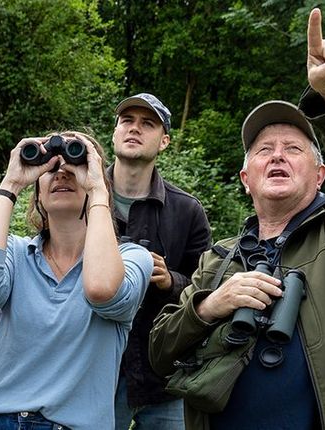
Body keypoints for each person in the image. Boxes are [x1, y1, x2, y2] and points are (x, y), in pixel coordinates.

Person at [148, 8, 325, 429]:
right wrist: (212, 305)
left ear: (321, 175)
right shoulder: (220, 259)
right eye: (264, 150)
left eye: (294, 148)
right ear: (246, 179)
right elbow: (160, 349)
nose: (278, 155)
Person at [0, 132, 152, 429]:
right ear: (37, 193)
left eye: (75, 165)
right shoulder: (14, 252)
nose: (62, 172)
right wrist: (10, 185)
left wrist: (99, 190)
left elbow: (101, 290)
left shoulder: (133, 259)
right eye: (50, 169)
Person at [108, 93, 211, 428]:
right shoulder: (81, 199)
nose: (135, 128)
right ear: (114, 132)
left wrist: (171, 281)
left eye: (148, 123)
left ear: (164, 141)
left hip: (166, 378)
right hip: (98, 374)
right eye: (128, 121)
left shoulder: (187, 210)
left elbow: (208, 288)